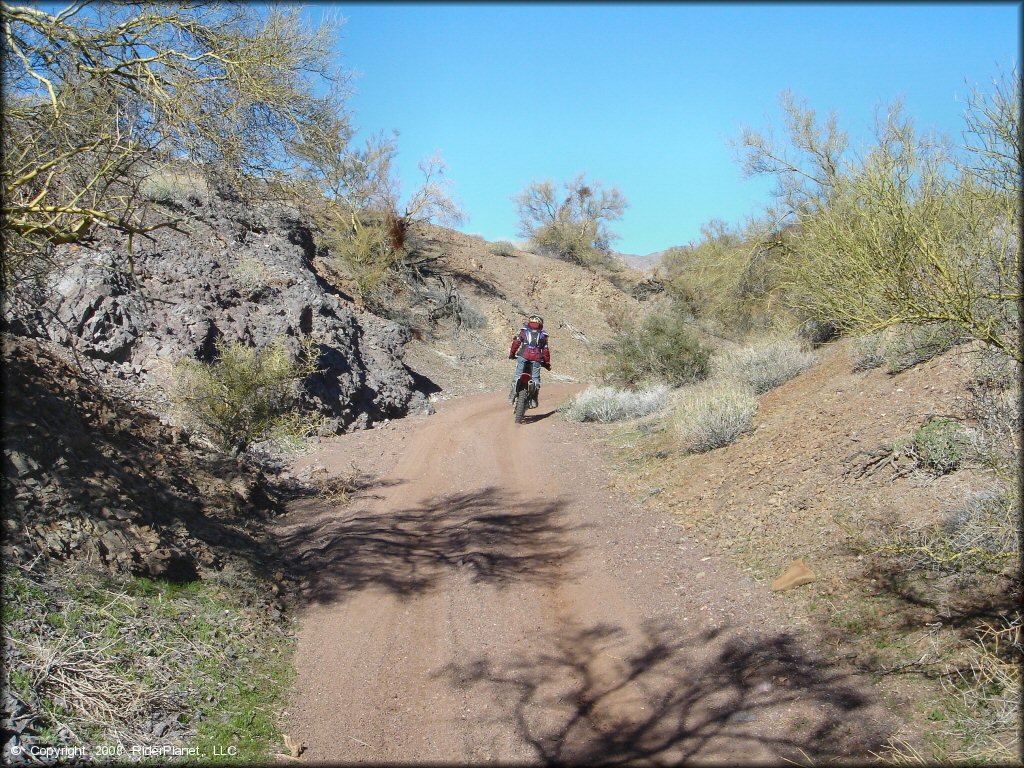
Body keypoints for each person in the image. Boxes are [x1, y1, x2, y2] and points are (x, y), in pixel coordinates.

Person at [508, 314, 551, 408]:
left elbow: (516, 343)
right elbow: (546, 351)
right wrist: (547, 363)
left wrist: (512, 354)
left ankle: (512, 395)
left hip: (523, 356)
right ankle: (533, 399)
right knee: (536, 379)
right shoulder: (543, 335)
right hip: (536, 359)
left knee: (517, 376)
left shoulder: (524, 331)